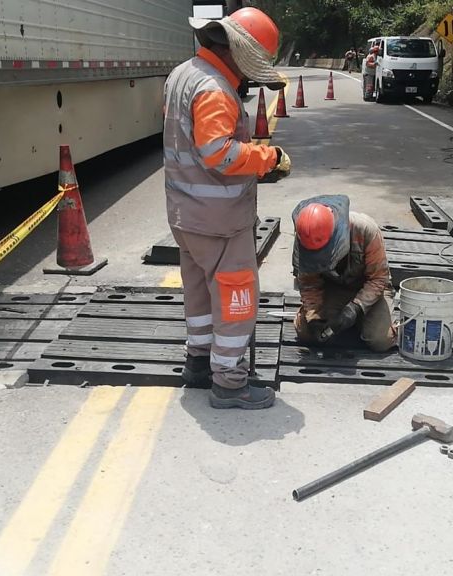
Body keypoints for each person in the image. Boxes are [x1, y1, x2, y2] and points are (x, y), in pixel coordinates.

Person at [164, 8, 291, 410]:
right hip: (219, 220)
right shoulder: (216, 89)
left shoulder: (183, 74)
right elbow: (217, 152)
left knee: (199, 294)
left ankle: (199, 364)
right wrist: (267, 159)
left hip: (186, 213)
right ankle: (231, 383)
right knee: (236, 300)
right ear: (236, 51)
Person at [291, 195, 397, 352]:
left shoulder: (366, 230)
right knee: (306, 333)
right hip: (333, 289)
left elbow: (379, 278)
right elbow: (308, 282)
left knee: (380, 340)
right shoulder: (306, 237)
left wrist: (355, 309)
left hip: (370, 289)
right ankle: (348, 324)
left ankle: (359, 322)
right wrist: (314, 316)